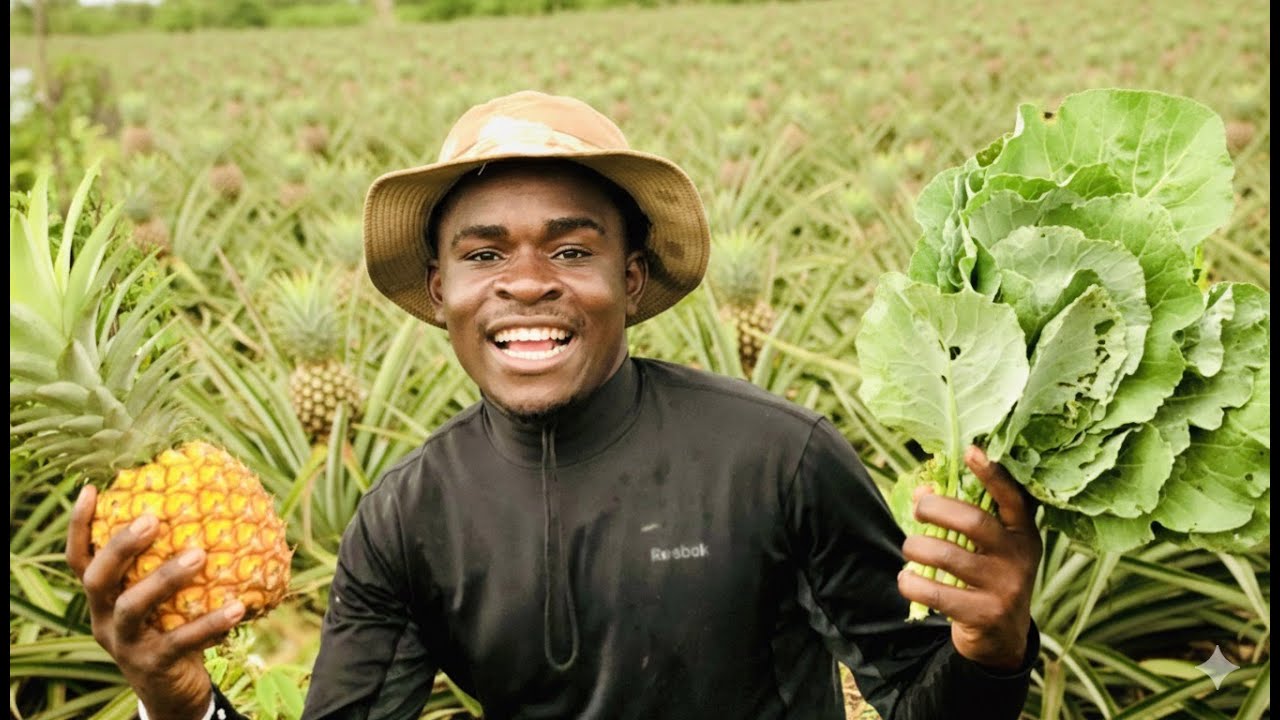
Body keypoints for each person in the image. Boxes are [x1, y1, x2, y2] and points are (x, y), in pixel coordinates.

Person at [68, 90, 1043, 720]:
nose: (527, 282)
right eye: (484, 253)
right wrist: (180, 702)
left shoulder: (777, 458)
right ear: (440, 291)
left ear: (630, 278)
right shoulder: (406, 518)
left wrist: (991, 650)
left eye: (571, 250)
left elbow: (919, 695)